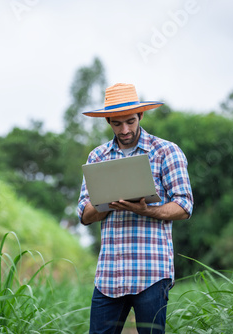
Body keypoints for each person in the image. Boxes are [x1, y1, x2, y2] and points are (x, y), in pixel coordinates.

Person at [77, 83, 193, 334]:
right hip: (109, 274)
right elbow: (84, 215)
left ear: (141, 115)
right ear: (108, 121)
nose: (125, 129)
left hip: (151, 271)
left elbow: (184, 206)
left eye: (130, 121)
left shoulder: (166, 152)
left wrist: (147, 210)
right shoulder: (97, 157)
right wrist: (108, 204)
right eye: (117, 123)